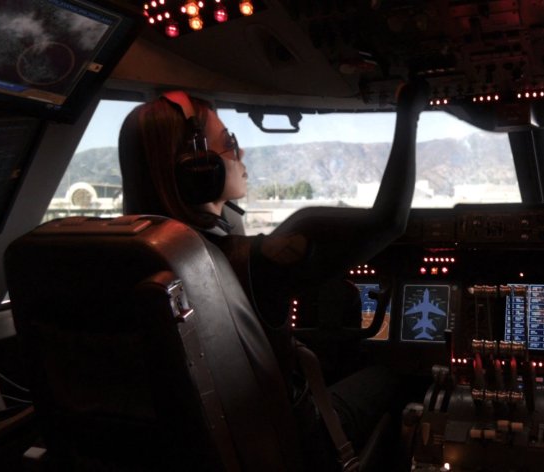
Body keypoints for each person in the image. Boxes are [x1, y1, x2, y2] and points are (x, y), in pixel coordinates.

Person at [118, 81, 430, 470]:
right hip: (284, 449)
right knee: (393, 375)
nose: (241, 152)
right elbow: (389, 222)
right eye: (229, 143)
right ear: (197, 168)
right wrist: (409, 110)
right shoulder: (253, 261)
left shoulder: (111, 262)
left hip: (173, 454)